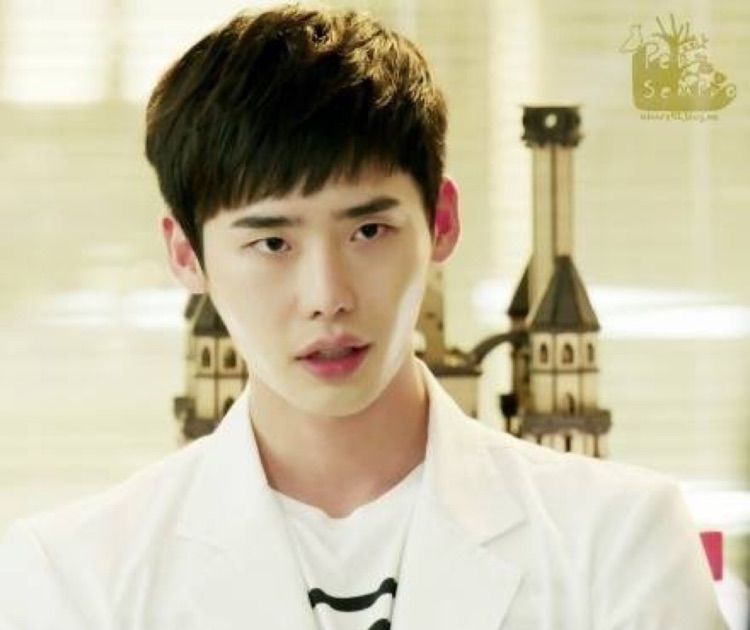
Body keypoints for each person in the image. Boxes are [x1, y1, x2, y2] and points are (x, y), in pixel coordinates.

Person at [0, 4, 728, 629]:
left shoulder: (617, 540)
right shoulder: (75, 576)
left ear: (442, 222)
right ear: (187, 255)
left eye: (368, 231)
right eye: (272, 243)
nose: (328, 295)